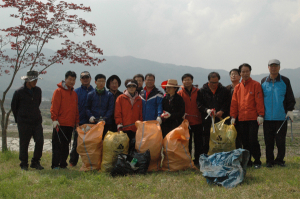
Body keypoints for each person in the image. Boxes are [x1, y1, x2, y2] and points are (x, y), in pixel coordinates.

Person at [261, 59, 296, 167]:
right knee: (268, 141)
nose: (273, 68)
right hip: (267, 118)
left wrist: (290, 110)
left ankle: (280, 160)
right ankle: (269, 161)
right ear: (268, 67)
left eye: (276, 66)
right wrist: (260, 114)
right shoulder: (263, 81)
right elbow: (260, 99)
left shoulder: (285, 81)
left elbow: (290, 97)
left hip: (281, 117)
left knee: (280, 141)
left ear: (279, 67)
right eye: (271, 66)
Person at [230, 63, 264, 169]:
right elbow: (234, 103)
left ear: (250, 72)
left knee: (253, 139)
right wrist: (233, 116)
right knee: (244, 141)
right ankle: (248, 161)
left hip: (253, 118)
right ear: (240, 73)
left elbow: (259, 100)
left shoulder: (255, 84)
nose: (245, 73)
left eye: (247, 71)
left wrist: (261, 114)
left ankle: (257, 160)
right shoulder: (238, 87)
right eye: (243, 71)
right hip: (241, 119)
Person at [11, 70, 44, 170]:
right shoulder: (19, 92)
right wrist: (20, 119)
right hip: (24, 122)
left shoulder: (38, 90)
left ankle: (35, 161)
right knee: (24, 143)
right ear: (27, 81)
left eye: (36, 80)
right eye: (33, 80)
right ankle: (24, 163)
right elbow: (14, 107)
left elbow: (37, 103)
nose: (35, 82)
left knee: (40, 141)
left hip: (36, 121)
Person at [50, 71, 79, 169]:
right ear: (65, 79)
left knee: (66, 145)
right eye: (70, 79)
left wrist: (76, 123)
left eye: (73, 80)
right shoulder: (58, 91)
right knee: (57, 145)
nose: (71, 81)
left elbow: (75, 110)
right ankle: (55, 165)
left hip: (70, 124)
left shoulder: (74, 94)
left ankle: (63, 164)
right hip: (60, 123)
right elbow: (54, 106)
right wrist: (54, 119)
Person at [197, 72, 231, 155]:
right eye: (212, 82)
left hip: (220, 120)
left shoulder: (224, 90)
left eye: (216, 82)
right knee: (207, 138)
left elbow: (228, 103)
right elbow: (199, 104)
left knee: (221, 138)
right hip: (207, 120)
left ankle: (221, 155)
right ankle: (207, 156)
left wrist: (222, 111)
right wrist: (207, 110)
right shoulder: (202, 91)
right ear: (208, 81)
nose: (214, 84)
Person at [69, 71, 94, 167]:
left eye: (87, 77)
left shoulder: (94, 91)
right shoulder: (76, 92)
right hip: (79, 121)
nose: (85, 79)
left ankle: (89, 163)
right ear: (80, 80)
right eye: (83, 78)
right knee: (76, 143)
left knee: (91, 144)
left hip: (91, 122)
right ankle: (72, 162)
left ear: (90, 79)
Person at [177, 73, 202, 165]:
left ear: (192, 81)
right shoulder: (179, 93)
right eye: (185, 80)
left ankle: (198, 160)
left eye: (189, 79)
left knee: (198, 142)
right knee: (187, 142)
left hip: (198, 121)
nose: (187, 81)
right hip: (185, 122)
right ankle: (188, 159)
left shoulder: (199, 91)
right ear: (182, 81)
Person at [86, 74, 114, 139]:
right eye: (99, 81)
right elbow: (87, 107)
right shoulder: (90, 94)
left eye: (103, 81)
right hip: (93, 123)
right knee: (94, 142)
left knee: (105, 143)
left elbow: (111, 109)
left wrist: (104, 119)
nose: (101, 83)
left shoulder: (109, 95)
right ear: (95, 82)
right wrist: (90, 116)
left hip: (106, 124)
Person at [226, 69, 242, 149]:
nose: (233, 75)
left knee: (239, 137)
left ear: (240, 76)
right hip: (229, 116)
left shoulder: (243, 87)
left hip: (241, 116)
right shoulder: (227, 89)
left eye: (235, 74)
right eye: (231, 74)